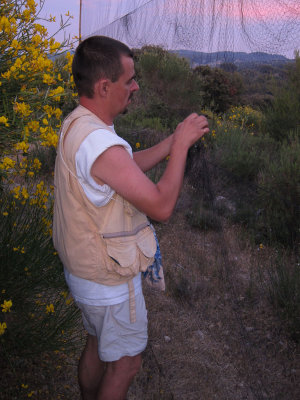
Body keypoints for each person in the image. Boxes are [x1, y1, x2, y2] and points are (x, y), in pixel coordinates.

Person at [53, 35, 209, 400]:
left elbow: (122, 170)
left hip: (84, 274)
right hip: (109, 283)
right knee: (125, 363)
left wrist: (169, 142)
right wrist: (182, 149)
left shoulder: (79, 125)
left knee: (96, 343)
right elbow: (161, 206)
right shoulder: (99, 142)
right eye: (130, 80)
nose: (136, 87)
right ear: (105, 86)